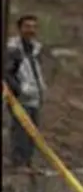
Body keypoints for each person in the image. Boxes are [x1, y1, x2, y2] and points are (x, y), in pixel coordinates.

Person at [4, 14, 47, 170]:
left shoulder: (35, 49)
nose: (31, 30)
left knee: (32, 132)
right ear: (20, 28)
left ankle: (29, 162)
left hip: (34, 98)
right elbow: (7, 74)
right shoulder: (14, 50)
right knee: (20, 131)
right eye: (27, 26)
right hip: (20, 99)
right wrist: (19, 90)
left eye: (34, 27)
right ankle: (19, 163)